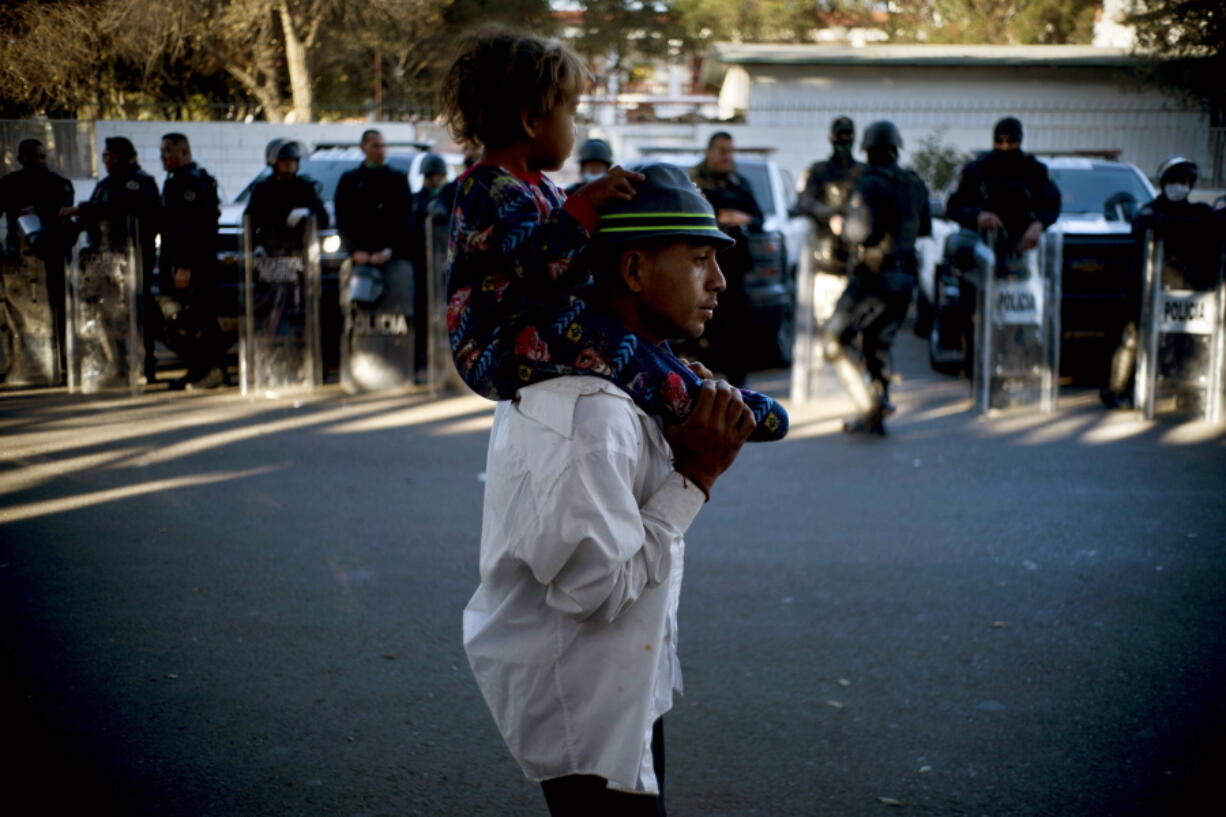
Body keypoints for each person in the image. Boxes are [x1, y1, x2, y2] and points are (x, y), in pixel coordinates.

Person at [463, 162, 756, 814]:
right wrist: (696, 475)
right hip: (584, 705)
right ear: (632, 271)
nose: (719, 280)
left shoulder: (630, 378)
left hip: (616, 686)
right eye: (700, 258)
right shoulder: (591, 405)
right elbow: (600, 588)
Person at [439, 29, 787, 441]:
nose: (575, 128)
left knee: (630, 333)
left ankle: (676, 379)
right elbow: (533, 268)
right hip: (496, 347)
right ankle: (689, 400)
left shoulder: (542, 188)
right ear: (533, 121)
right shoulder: (485, 188)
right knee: (608, 339)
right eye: (570, 114)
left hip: (541, 327)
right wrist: (585, 205)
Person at [825, 121, 931, 435]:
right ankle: (877, 407)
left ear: (868, 150)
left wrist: (842, 227)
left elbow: (857, 231)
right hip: (906, 277)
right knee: (878, 341)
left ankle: (869, 402)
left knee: (835, 338)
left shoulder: (869, 183)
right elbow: (923, 228)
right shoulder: (914, 183)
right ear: (896, 148)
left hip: (873, 277)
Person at [1101, 155, 1215, 408]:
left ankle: (1189, 391)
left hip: (1186, 291)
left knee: (1188, 343)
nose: (1179, 186)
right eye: (1174, 180)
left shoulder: (1199, 212)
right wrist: (1183, 226)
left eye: (1184, 181)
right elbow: (1145, 225)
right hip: (1148, 290)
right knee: (1133, 340)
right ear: (1164, 182)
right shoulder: (1149, 211)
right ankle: (1118, 390)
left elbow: (1212, 224)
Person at [63, 136, 161, 381]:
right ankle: (116, 362)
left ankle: (143, 365)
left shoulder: (138, 182)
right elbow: (96, 215)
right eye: (105, 155)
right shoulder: (107, 183)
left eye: (109, 154)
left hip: (129, 260)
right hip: (102, 259)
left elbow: (121, 208)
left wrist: (82, 209)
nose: (105, 159)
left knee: (134, 312)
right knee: (106, 313)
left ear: (121, 156)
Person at [689, 131, 764, 388]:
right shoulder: (693, 181)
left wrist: (741, 218)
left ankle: (738, 388)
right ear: (709, 152)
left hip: (734, 269)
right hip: (700, 269)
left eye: (731, 151)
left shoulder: (739, 183)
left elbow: (759, 219)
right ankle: (701, 386)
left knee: (738, 333)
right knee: (703, 329)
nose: (727, 157)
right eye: (722, 151)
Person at [0, 138, 77, 371]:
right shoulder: (9, 183)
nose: (40, 162)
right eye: (34, 157)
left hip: (53, 253)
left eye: (42, 157)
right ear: (21, 159)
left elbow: (65, 210)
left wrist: (41, 209)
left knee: (59, 306)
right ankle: (21, 361)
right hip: (19, 255)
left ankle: (62, 356)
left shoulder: (58, 183)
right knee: (17, 309)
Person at [158, 132, 226, 390]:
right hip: (184, 261)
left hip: (195, 263)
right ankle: (199, 370)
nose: (163, 156)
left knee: (202, 319)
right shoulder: (178, 180)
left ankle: (214, 371)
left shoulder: (190, 183)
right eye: (162, 151)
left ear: (183, 152)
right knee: (189, 320)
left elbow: (192, 228)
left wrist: (185, 265)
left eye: (168, 151)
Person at [946, 116, 1060, 260]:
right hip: (980, 244)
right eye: (1000, 141)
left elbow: (1051, 205)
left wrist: (1038, 224)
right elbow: (954, 207)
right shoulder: (976, 170)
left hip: (1022, 246)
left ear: (1019, 142)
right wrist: (978, 215)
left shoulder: (1035, 171)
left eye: (1011, 142)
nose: (1004, 147)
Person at [796, 116, 867, 276]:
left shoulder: (863, 172)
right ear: (831, 138)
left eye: (847, 135)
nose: (844, 140)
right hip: (825, 247)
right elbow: (805, 201)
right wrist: (831, 216)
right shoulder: (818, 170)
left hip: (858, 249)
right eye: (840, 136)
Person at [244, 140, 329, 255]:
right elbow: (250, 221)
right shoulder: (263, 189)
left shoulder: (305, 187)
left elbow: (323, 218)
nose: (289, 164)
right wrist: (256, 245)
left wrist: (309, 213)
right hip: (270, 250)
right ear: (274, 163)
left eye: (293, 161)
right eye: (284, 161)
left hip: (299, 250)